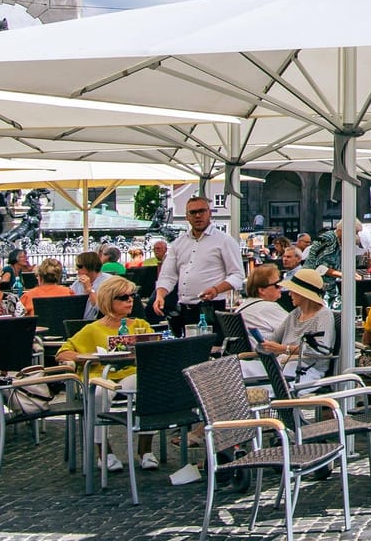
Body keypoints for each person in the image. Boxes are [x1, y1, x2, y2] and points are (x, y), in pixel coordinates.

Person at [58, 276, 156, 469]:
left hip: (132, 373)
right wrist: (88, 356)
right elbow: (63, 353)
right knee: (99, 393)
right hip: (102, 375)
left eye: (132, 296)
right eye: (123, 297)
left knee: (150, 387)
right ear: (108, 300)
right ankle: (104, 453)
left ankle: (146, 450)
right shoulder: (92, 329)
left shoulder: (140, 325)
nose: (130, 300)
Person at [153, 197, 244, 335]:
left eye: (202, 211)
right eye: (193, 212)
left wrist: (216, 289)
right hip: (184, 308)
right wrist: (160, 295)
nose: (198, 215)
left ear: (209, 213)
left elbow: (237, 276)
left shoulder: (224, 241)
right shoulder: (179, 243)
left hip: (211, 308)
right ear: (187, 217)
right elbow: (168, 276)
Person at [261, 269, 335, 384]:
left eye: (293, 290)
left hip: (306, 370)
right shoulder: (295, 313)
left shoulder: (324, 315)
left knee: (267, 383)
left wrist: (283, 349)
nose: (289, 294)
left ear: (304, 293)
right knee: (242, 368)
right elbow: (274, 338)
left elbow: (320, 350)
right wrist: (265, 344)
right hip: (284, 365)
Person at [239, 263, 289, 339]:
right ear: (262, 290)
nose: (281, 286)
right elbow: (294, 330)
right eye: (277, 284)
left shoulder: (242, 307)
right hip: (265, 349)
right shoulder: (268, 307)